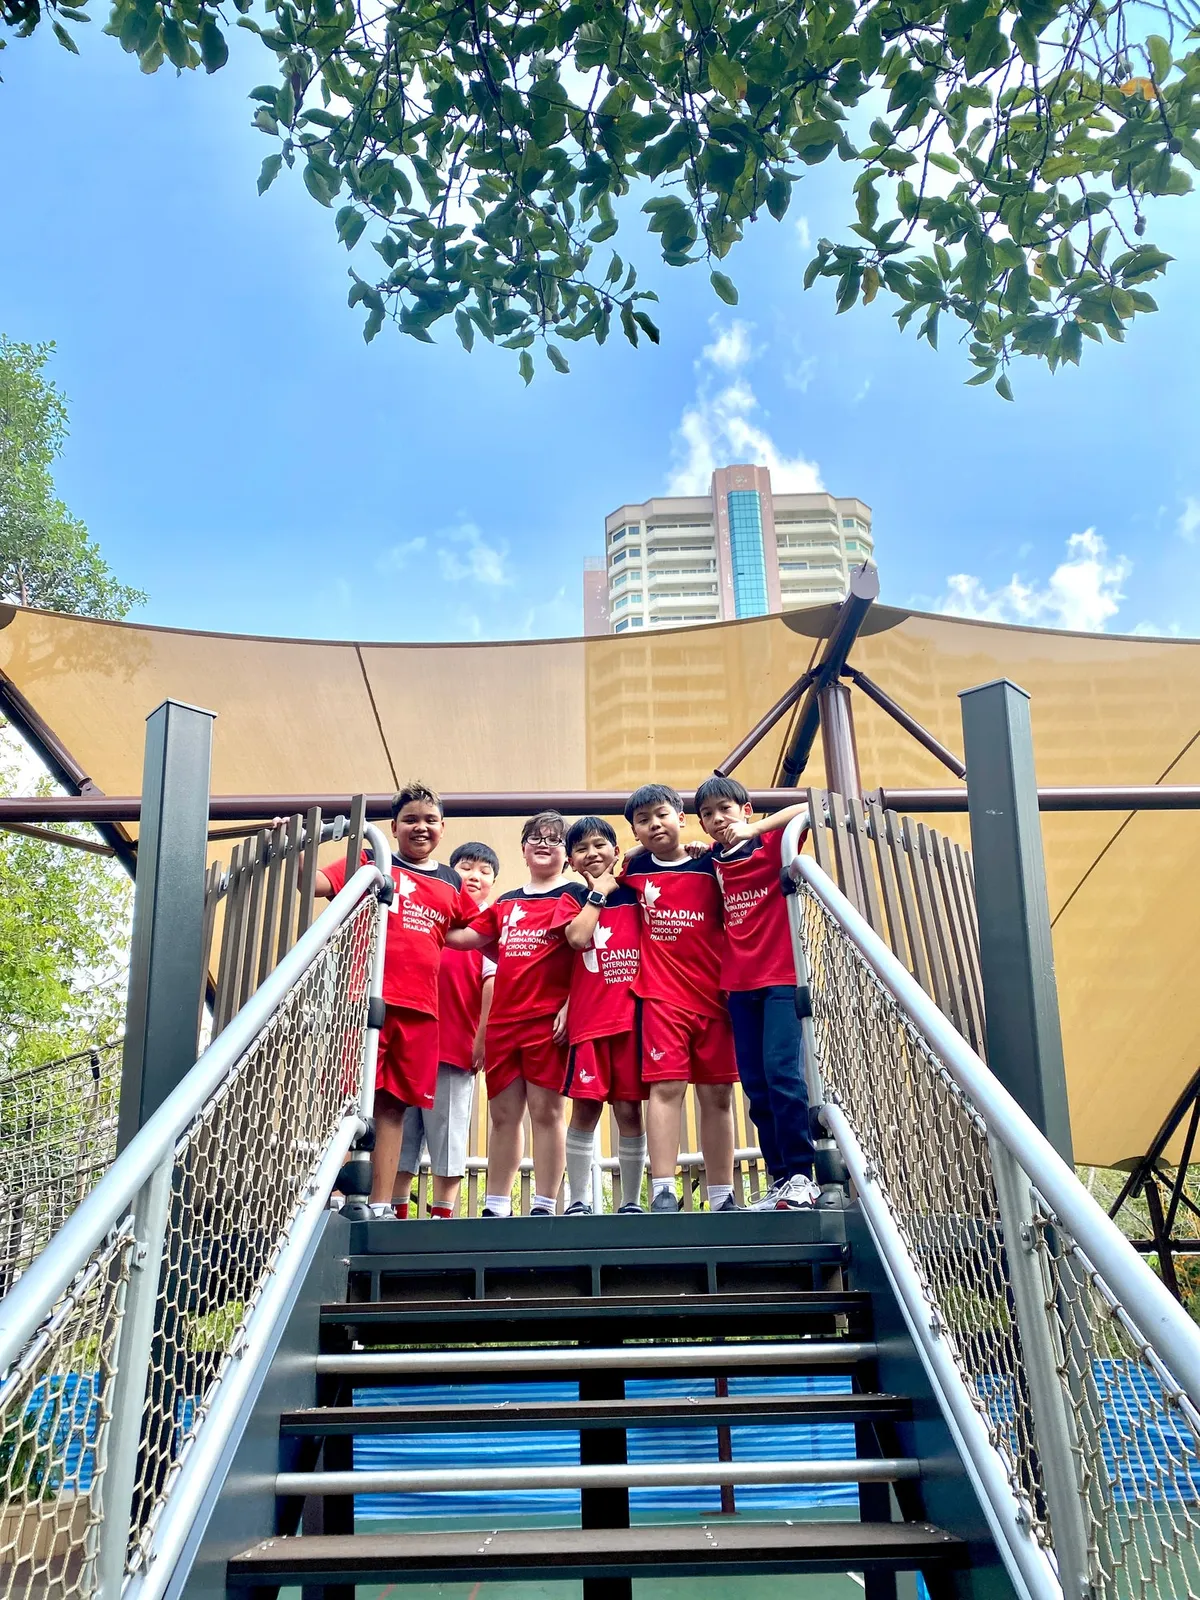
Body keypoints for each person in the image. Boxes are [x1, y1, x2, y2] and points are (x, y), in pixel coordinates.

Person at [315, 783, 478, 1216]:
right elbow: (316, 883)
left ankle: (381, 1204)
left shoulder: (451, 881)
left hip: (421, 1010)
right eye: (410, 819)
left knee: (393, 1109)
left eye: (430, 820)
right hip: (365, 999)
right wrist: (295, 847)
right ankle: (333, 1198)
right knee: (350, 1101)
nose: (420, 827)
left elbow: (476, 929)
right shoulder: (373, 860)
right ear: (394, 826)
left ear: (443, 828)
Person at [694, 776, 820, 1212]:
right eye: (707, 814)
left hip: (781, 978)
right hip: (737, 985)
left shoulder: (771, 845)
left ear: (745, 810)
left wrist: (757, 829)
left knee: (784, 1074)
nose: (717, 819)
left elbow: (816, 804)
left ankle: (803, 1175)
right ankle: (780, 1178)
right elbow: (659, 856)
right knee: (756, 1085)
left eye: (725, 809)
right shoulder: (712, 859)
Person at [446, 811, 573, 1217]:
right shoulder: (506, 901)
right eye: (536, 837)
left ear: (567, 852)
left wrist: (572, 1006)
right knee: (502, 1116)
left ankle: (545, 1204)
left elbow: (591, 954)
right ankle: (497, 1204)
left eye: (554, 839)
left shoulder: (575, 894)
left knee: (547, 1113)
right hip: (504, 1023)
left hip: (547, 1022)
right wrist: (420, 907)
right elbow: (464, 938)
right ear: (522, 848)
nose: (544, 844)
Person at [621, 783, 738, 1214]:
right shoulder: (633, 871)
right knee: (666, 1088)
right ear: (635, 831)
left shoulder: (711, 864)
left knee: (718, 1095)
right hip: (662, 998)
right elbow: (609, 862)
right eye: (643, 820)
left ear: (683, 818)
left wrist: (707, 845)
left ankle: (723, 1196)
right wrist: (634, 851)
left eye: (662, 815)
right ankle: (663, 1191)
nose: (655, 824)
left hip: (716, 998)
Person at [395, 841, 499, 1218]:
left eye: (485, 871)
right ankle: (393, 1208)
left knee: (449, 1132)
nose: (474, 876)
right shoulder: (427, 914)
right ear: (450, 874)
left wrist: (481, 1038)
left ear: (493, 882)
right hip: (407, 1039)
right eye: (466, 867)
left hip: (455, 1044)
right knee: (400, 1128)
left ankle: (442, 1213)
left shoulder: (487, 928)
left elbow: (492, 983)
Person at [552, 816, 647, 1216]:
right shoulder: (572, 897)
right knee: (586, 1108)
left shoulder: (635, 890)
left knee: (629, 1110)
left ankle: (631, 1202)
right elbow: (576, 938)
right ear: (571, 860)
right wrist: (598, 894)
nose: (591, 854)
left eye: (599, 845)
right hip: (590, 1021)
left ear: (615, 850)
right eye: (581, 849)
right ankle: (578, 1201)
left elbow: (653, 851)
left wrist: (629, 860)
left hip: (632, 1018)